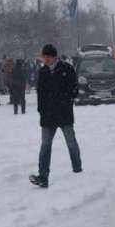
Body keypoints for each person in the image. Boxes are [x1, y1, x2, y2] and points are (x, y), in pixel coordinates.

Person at [29, 44, 82, 188]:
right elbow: (40, 93)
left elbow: (75, 90)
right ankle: (43, 176)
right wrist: (41, 110)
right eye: (44, 56)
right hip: (48, 116)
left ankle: (78, 171)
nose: (46, 59)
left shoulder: (67, 69)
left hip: (64, 114)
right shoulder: (43, 71)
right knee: (45, 146)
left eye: (48, 56)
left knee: (71, 143)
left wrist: (64, 98)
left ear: (54, 56)